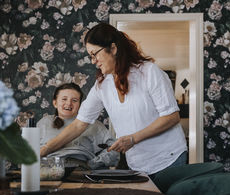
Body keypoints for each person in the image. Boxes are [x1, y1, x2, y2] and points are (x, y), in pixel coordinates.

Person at [40, 23, 187, 177]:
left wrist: (132, 139)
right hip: (137, 164)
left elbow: (171, 117)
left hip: (169, 158)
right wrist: (43, 151)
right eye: (90, 56)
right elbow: (78, 124)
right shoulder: (102, 85)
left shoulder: (149, 72)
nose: (93, 61)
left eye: (95, 54)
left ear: (113, 49)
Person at [37, 82, 119, 169]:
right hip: (47, 169)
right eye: (64, 99)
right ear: (55, 103)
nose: (69, 103)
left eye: (74, 100)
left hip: (79, 169)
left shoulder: (93, 124)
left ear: (80, 105)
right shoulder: (43, 123)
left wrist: (93, 164)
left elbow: (115, 149)